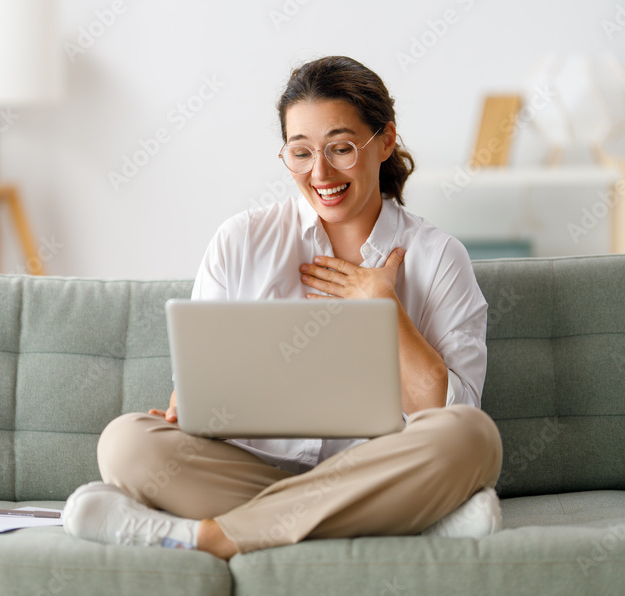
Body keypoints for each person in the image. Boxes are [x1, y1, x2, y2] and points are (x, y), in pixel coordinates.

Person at [63, 56, 503, 560]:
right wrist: (190, 407)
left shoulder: (439, 257)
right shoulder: (241, 241)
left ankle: (215, 536)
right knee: (126, 444)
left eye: (341, 148)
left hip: (381, 467)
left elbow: (453, 412)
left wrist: (385, 312)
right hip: (254, 468)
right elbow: (205, 390)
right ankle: (410, 520)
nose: (320, 173)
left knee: (472, 438)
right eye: (300, 152)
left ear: (384, 141)